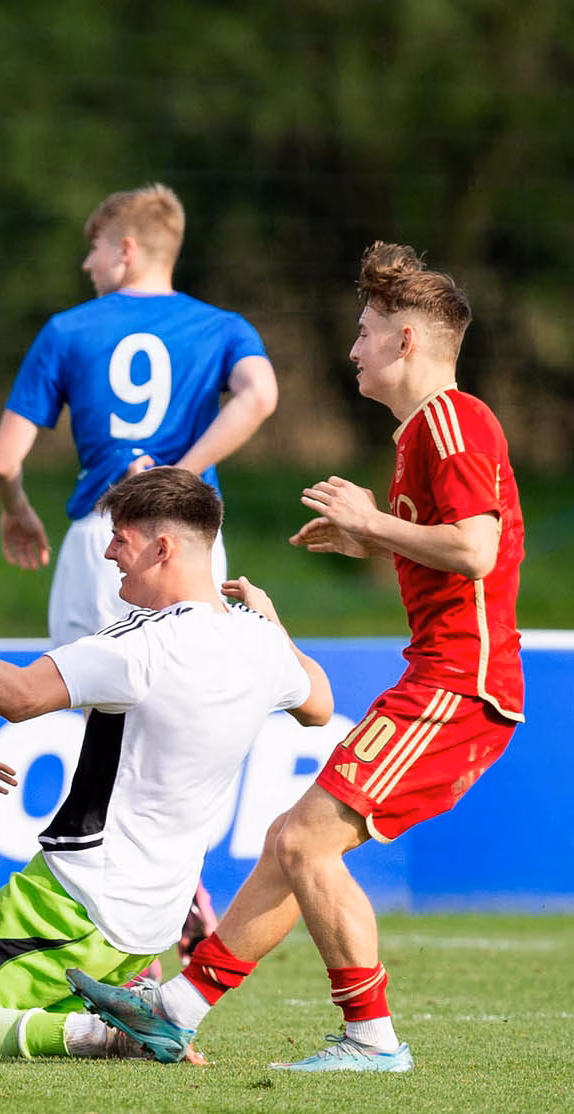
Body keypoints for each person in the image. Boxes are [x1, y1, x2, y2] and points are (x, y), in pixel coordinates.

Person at [69, 243, 525, 1073]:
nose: (351, 348)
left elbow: (477, 551)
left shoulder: (454, 420)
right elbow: (451, 550)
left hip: (459, 688)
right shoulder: (421, 433)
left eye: (364, 332)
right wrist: (370, 539)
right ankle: (176, 1009)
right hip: (440, 680)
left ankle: (372, 1040)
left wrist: (375, 521)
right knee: (291, 838)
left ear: (407, 343)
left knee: (306, 843)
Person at [0, 467, 331, 1061]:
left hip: (75, 901)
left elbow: (17, 696)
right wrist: (274, 625)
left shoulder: (137, 645)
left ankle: (109, 1034)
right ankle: (121, 1019)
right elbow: (320, 705)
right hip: (155, 921)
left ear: (162, 547)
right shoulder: (261, 644)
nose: (110, 552)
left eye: (121, 538)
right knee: (4, 1017)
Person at [0, 183, 278, 648]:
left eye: (93, 249)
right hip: (190, 537)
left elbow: (2, 462)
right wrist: (180, 476)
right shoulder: (222, 327)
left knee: (89, 707)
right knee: (181, 700)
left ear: (126, 249)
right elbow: (260, 394)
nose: (87, 264)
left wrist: (15, 511)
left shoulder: (66, 329)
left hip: (104, 537)